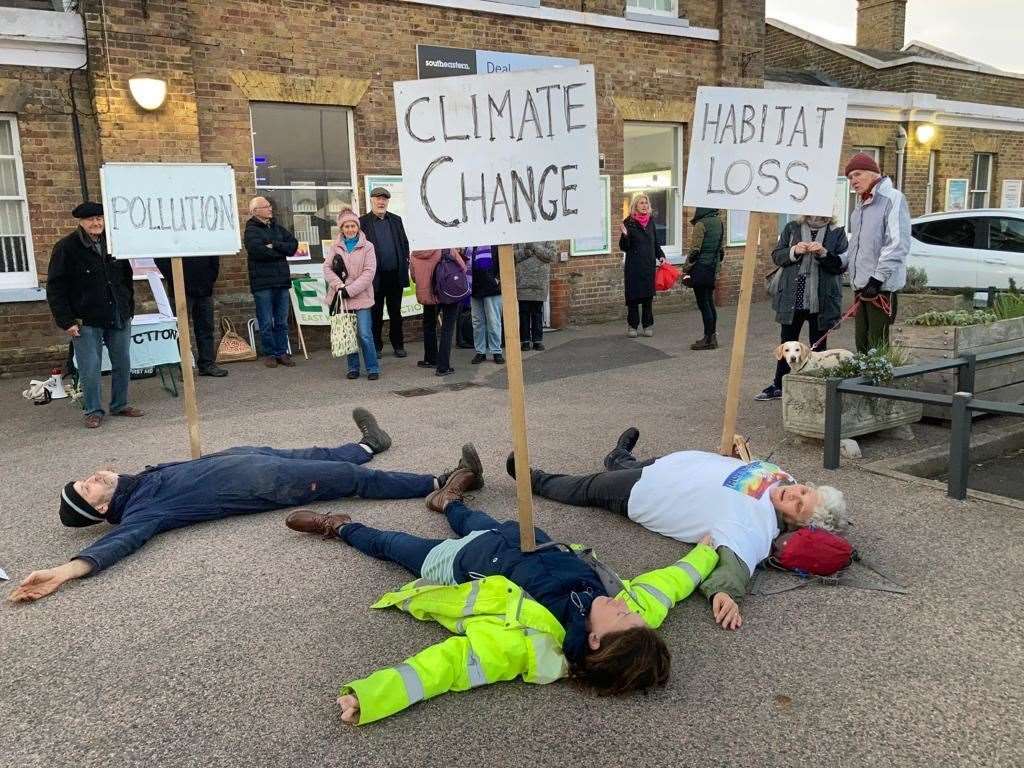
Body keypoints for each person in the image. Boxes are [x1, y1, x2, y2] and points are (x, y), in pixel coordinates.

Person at [284, 468, 719, 726]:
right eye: (636, 616)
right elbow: (668, 584)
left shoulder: (527, 647)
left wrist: (374, 696)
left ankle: (339, 527)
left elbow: (447, 665)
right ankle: (448, 500)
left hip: (462, 563)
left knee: (392, 544)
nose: (630, 608)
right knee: (477, 517)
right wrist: (704, 555)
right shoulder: (632, 611)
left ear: (594, 642)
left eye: (625, 619)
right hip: (523, 538)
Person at [6, 409, 485, 604]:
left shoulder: (137, 481)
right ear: (100, 509)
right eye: (87, 488)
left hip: (253, 459)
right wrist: (67, 571)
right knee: (352, 482)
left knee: (318, 455)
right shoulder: (140, 512)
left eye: (86, 478)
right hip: (265, 486)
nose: (92, 477)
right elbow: (120, 543)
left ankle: (368, 443)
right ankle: (443, 482)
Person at [510, 427, 848, 631]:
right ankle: (619, 454)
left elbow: (737, 561)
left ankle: (533, 479)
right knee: (626, 466)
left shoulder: (758, 524)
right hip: (669, 466)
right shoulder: (782, 477)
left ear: (795, 525)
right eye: (804, 491)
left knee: (586, 488)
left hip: (647, 494)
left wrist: (725, 594)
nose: (795, 495)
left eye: (799, 506)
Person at [46, 201, 144, 429]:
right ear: (80, 221)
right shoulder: (66, 247)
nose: (96, 223)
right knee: (90, 367)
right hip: (85, 319)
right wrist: (66, 321)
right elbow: (55, 287)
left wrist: (128, 307)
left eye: (99, 218)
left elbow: (125, 279)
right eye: (91, 219)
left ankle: (120, 404)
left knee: (123, 362)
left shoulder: (114, 244)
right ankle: (93, 410)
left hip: (118, 313)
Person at [755, 214, 848, 401]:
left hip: (823, 301)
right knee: (787, 343)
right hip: (792, 297)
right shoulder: (792, 228)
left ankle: (819, 388)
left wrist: (824, 254)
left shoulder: (837, 233)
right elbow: (777, 256)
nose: (815, 214)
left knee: (819, 346)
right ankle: (779, 385)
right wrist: (794, 250)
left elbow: (842, 265)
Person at [843, 152, 911, 353]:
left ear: (873, 173)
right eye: (849, 178)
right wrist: (837, 261)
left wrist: (877, 279)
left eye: (857, 174)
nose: (853, 181)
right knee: (862, 345)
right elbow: (857, 248)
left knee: (878, 347)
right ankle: (859, 384)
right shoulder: (861, 206)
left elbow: (897, 244)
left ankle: (879, 385)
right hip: (861, 287)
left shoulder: (892, 198)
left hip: (880, 288)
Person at [324, 208, 380, 381]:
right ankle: (353, 367)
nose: (350, 229)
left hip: (361, 296)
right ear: (342, 228)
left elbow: (369, 272)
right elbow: (327, 268)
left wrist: (350, 289)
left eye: (353, 225)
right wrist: (339, 285)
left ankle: (372, 367)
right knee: (349, 333)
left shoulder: (368, 246)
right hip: (342, 297)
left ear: (358, 227)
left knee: (364, 333)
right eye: (346, 226)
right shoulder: (335, 246)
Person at [243, 196, 298, 368]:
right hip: (262, 283)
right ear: (255, 211)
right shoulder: (251, 230)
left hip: (281, 280)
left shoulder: (277, 227)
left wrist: (273, 244)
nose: (270, 208)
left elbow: (293, 246)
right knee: (266, 321)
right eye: (266, 206)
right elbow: (257, 251)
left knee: (281, 320)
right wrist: (281, 251)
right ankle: (270, 353)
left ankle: (282, 352)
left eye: (269, 205)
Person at [155, 256, 228, 377]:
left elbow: (213, 256)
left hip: (204, 288)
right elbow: (160, 259)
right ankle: (184, 369)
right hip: (180, 289)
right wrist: (174, 278)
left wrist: (210, 278)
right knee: (180, 331)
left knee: (206, 328)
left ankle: (207, 364)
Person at [360, 188, 411, 358]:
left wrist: (404, 262)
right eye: (378, 199)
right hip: (374, 277)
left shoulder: (396, 220)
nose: (381, 202)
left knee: (396, 312)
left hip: (395, 275)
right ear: (371, 200)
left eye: (384, 199)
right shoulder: (363, 222)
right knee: (376, 313)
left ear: (388, 202)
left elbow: (404, 243)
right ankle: (376, 347)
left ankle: (398, 345)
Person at [409, 248, 467, 377]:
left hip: (429, 295)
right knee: (447, 328)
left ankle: (431, 359)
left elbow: (413, 277)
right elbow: (462, 267)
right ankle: (443, 366)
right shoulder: (445, 248)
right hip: (448, 293)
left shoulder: (415, 254)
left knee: (429, 325)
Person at [619, 193, 665, 338]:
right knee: (633, 298)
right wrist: (625, 235)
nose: (644, 205)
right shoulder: (628, 222)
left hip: (648, 265)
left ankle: (647, 325)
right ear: (635, 206)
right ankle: (632, 326)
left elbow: (655, 243)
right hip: (634, 266)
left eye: (646, 203)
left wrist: (661, 256)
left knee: (647, 298)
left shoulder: (651, 222)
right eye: (641, 203)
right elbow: (624, 247)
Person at [686, 207, 724, 351]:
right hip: (712, 268)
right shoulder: (719, 222)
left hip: (701, 267)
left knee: (703, 304)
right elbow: (720, 250)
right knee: (710, 302)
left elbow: (694, 250)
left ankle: (707, 339)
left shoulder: (701, 224)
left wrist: (686, 268)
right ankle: (712, 336)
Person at [467, 244, 504, 363]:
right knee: (477, 322)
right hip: (475, 288)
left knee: (494, 321)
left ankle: (496, 351)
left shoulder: (495, 244)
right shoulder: (469, 246)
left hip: (492, 288)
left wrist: (497, 279)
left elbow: (506, 262)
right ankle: (480, 351)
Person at [515, 241, 554, 351]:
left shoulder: (546, 237)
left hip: (539, 283)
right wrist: (526, 252)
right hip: (523, 283)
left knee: (537, 313)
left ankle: (537, 340)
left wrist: (535, 247)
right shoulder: (518, 236)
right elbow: (514, 256)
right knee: (524, 313)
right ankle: (525, 341)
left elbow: (551, 255)